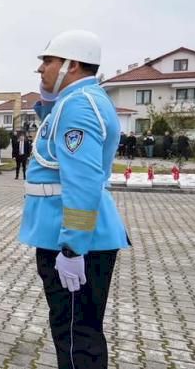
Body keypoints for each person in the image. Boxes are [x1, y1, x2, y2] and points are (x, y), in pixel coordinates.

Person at [20, 30, 130, 369]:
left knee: (75, 338)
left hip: (71, 241)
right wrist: (48, 102)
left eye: (48, 61)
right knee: (79, 332)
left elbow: (81, 184)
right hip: (68, 236)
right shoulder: (79, 101)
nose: (41, 69)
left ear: (73, 65)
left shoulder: (80, 106)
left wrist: (72, 249)